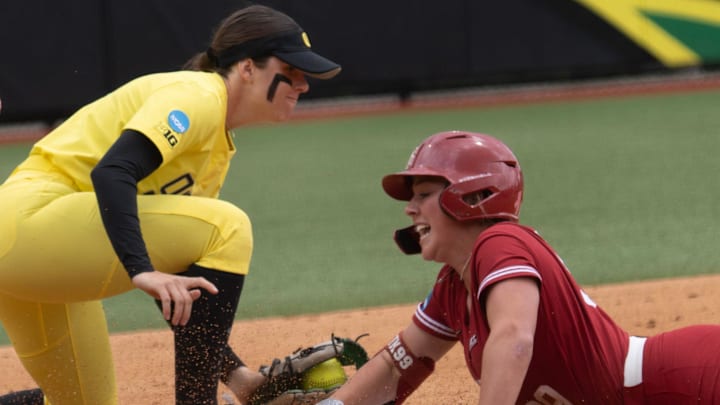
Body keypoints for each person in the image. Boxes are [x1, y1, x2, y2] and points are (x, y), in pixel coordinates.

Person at [0, 4, 340, 405]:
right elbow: (113, 172)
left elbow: (185, 291)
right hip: (29, 221)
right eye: (293, 70)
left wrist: (240, 378)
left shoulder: (215, 144)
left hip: (35, 257)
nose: (303, 84)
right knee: (227, 227)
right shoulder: (197, 95)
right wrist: (140, 270)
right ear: (247, 68)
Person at [317, 130, 720, 404]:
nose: (410, 208)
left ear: (472, 196)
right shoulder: (453, 286)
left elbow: (513, 338)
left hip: (687, 382)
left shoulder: (500, 243)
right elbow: (396, 365)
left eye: (423, 194)